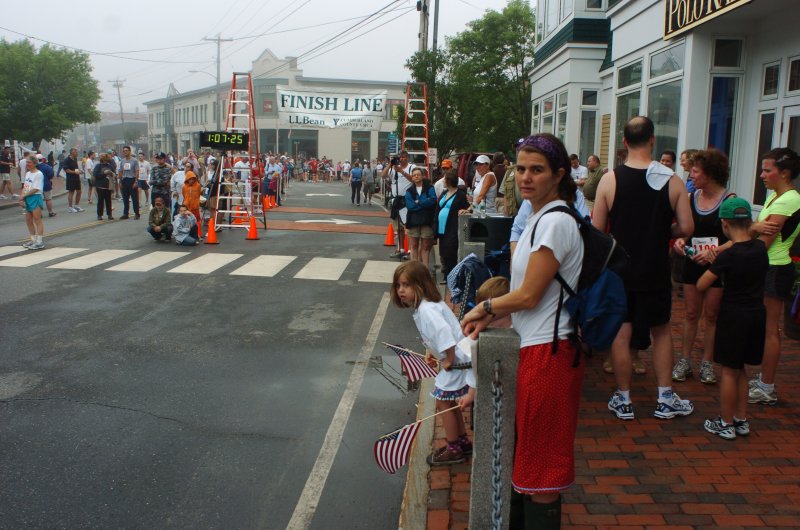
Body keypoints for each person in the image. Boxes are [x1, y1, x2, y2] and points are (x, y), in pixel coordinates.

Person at [461, 133, 584, 528]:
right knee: (530, 456)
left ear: (559, 174)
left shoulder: (555, 222)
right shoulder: (539, 218)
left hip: (549, 353)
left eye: (538, 170)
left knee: (542, 466)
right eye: (521, 168)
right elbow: (529, 297)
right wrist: (494, 314)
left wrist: (485, 306)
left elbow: (529, 295)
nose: (527, 177)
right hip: (538, 349)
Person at [592, 116, 694, 421]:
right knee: (661, 331)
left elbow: (597, 229)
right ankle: (665, 397)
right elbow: (687, 226)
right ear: (652, 140)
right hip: (655, 268)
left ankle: (623, 399)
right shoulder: (672, 180)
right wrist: (666, 232)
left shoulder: (610, 180)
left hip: (620, 268)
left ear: (624, 142)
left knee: (621, 333)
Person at [697, 197, 768, 440]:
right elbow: (749, 241)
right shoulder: (760, 249)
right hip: (757, 314)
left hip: (733, 316)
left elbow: (701, 284)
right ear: (749, 221)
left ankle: (726, 423)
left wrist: (715, 263)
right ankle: (741, 419)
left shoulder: (728, 256)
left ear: (724, 225)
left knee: (728, 371)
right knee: (742, 370)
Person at [391, 261, 472, 466]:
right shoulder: (426, 306)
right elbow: (435, 336)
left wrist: (449, 358)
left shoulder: (427, 310)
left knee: (443, 401)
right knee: (449, 401)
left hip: (457, 359)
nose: (401, 290)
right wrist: (433, 353)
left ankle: (454, 447)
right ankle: (461, 441)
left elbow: (444, 334)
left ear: (420, 285)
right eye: (399, 285)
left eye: (406, 285)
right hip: (456, 356)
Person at [671, 149, 733, 385]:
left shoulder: (730, 200)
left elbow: (738, 238)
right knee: (690, 313)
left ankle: (707, 362)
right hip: (691, 263)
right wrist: (681, 241)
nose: (691, 176)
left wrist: (714, 252)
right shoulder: (690, 198)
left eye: (695, 171)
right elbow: (686, 230)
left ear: (710, 173)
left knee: (712, 315)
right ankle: (685, 360)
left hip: (716, 268)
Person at [748, 148, 800, 405]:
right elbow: (755, 229)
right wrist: (754, 227)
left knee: (770, 329)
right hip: (769, 267)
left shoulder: (788, 199)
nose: (761, 175)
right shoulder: (775, 197)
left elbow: (762, 241)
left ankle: (767, 386)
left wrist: (753, 228)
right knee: (764, 327)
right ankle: (763, 379)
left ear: (785, 173)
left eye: (768, 170)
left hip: (776, 268)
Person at [457, 276, 513, 410]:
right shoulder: (481, 333)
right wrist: (471, 395)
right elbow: (474, 368)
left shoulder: (515, 331)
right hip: (488, 394)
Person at [436, 170, 470, 283]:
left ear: (449, 181)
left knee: (450, 251)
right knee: (443, 252)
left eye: (445, 179)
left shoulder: (460, 194)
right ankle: (447, 275)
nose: (443, 181)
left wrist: (465, 211)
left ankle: (451, 276)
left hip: (452, 226)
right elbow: (438, 208)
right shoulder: (444, 193)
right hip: (442, 227)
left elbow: (468, 206)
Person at [381, 150, 416, 259]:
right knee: (398, 228)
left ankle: (410, 251)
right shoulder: (393, 169)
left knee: (408, 227)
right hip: (396, 200)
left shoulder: (411, 167)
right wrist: (390, 165)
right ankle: (400, 249)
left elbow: (414, 179)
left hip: (406, 200)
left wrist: (402, 171)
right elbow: (383, 175)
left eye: (404, 157)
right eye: (400, 157)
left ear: (407, 158)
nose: (402, 159)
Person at [404, 167, 437, 265]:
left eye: (418, 174)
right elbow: (410, 206)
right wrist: (423, 204)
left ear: (422, 176)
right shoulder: (409, 191)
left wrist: (418, 202)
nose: (416, 176)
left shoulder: (430, 188)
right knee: (413, 246)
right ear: (412, 178)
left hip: (427, 221)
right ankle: (413, 269)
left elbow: (432, 201)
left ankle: (425, 270)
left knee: (426, 247)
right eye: (414, 175)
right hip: (413, 221)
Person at [19, 155, 46, 249]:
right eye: (27, 162)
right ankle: (33, 239)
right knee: (28, 220)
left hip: (35, 197)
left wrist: (24, 196)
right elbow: (25, 186)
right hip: (27, 197)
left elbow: (36, 188)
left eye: (29, 162)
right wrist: (21, 197)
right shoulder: (28, 173)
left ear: (35, 163)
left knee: (37, 219)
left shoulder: (39, 174)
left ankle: (39, 241)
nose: (27, 164)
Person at [117, 145, 140, 220]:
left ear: (129, 151)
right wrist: (120, 182)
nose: (125, 152)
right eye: (124, 151)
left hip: (132, 179)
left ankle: (137, 213)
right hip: (124, 180)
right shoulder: (122, 161)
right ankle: (125, 213)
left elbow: (137, 171)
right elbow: (120, 171)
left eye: (126, 150)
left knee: (134, 198)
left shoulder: (134, 160)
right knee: (125, 198)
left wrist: (136, 181)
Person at [92, 153, 116, 220]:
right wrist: (104, 173)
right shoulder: (98, 166)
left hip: (108, 186)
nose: (103, 158)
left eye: (104, 157)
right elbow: (96, 175)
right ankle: (99, 215)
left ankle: (109, 214)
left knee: (108, 201)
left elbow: (114, 174)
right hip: (100, 186)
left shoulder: (110, 166)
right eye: (102, 157)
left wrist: (111, 173)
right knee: (100, 201)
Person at [63, 148, 84, 212]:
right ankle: (70, 207)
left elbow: (76, 168)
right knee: (71, 192)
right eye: (76, 152)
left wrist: (79, 171)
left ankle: (76, 205)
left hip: (76, 178)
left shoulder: (75, 159)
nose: (77, 153)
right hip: (70, 179)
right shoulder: (67, 160)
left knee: (79, 191)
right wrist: (75, 172)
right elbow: (66, 170)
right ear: (72, 153)